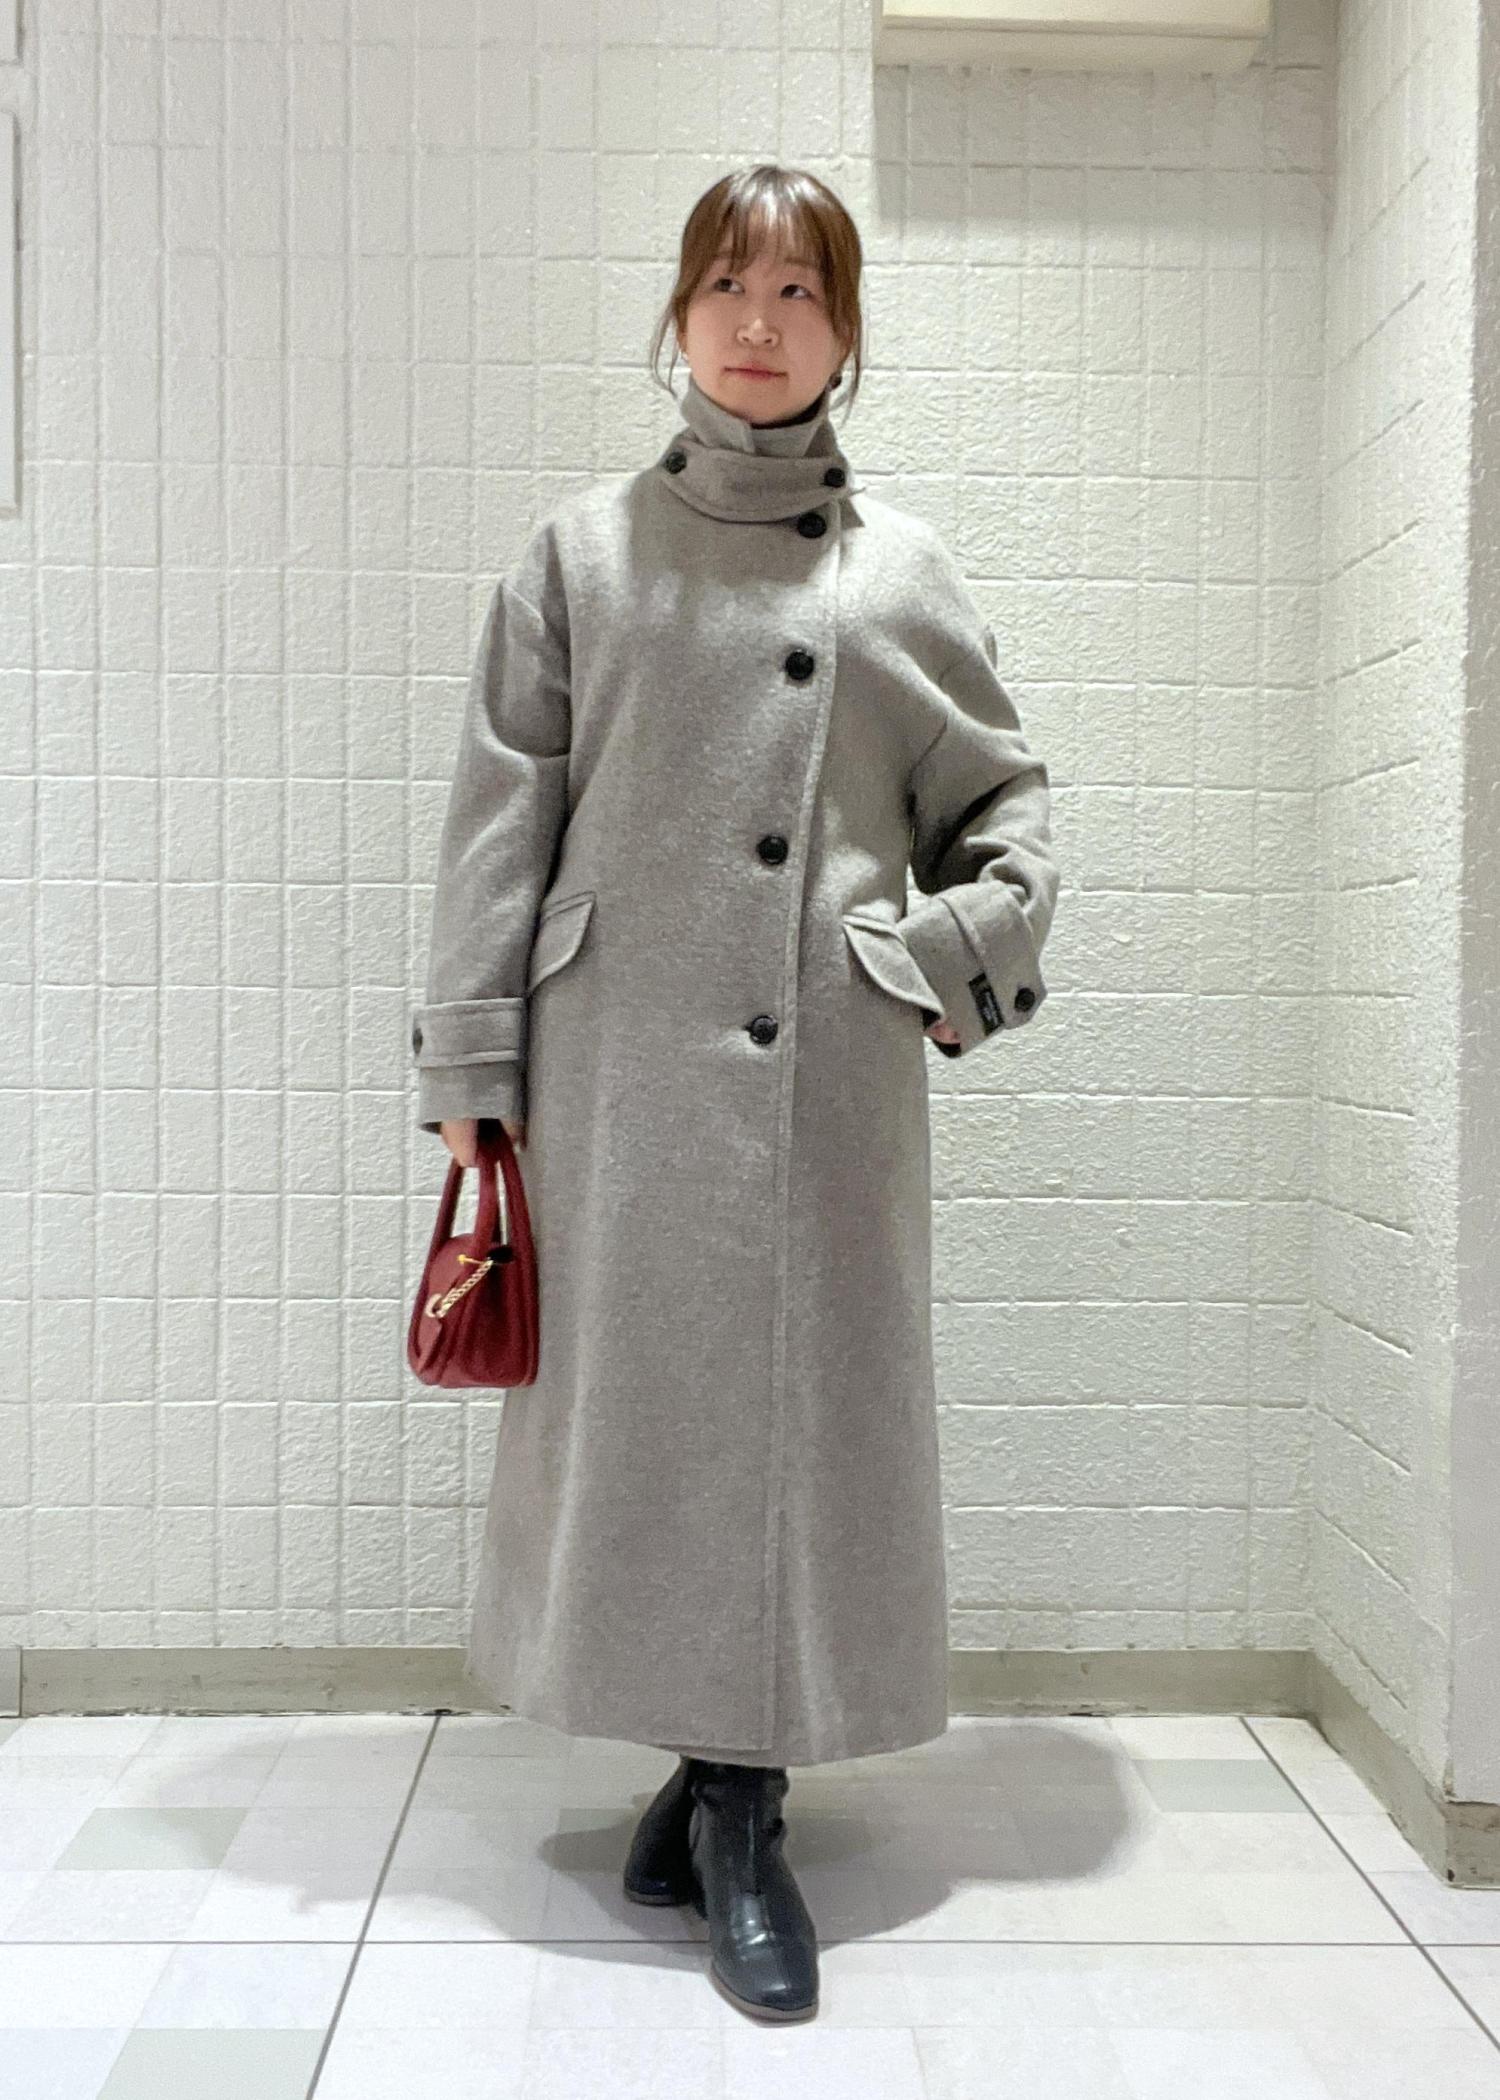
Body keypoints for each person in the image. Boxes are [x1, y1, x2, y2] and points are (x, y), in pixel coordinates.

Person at [411, 163, 1060, 2023]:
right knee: (653, 1433)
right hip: (618, 1077)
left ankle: (743, 1808)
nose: (760, 323)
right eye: (727, 286)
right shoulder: (579, 556)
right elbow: (500, 824)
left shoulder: (900, 572)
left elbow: (1005, 810)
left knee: (795, 1427)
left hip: (826, 1085)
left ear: (846, 332)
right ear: (679, 317)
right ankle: (710, 1785)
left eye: (799, 292)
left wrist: (938, 958)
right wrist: (473, 1066)